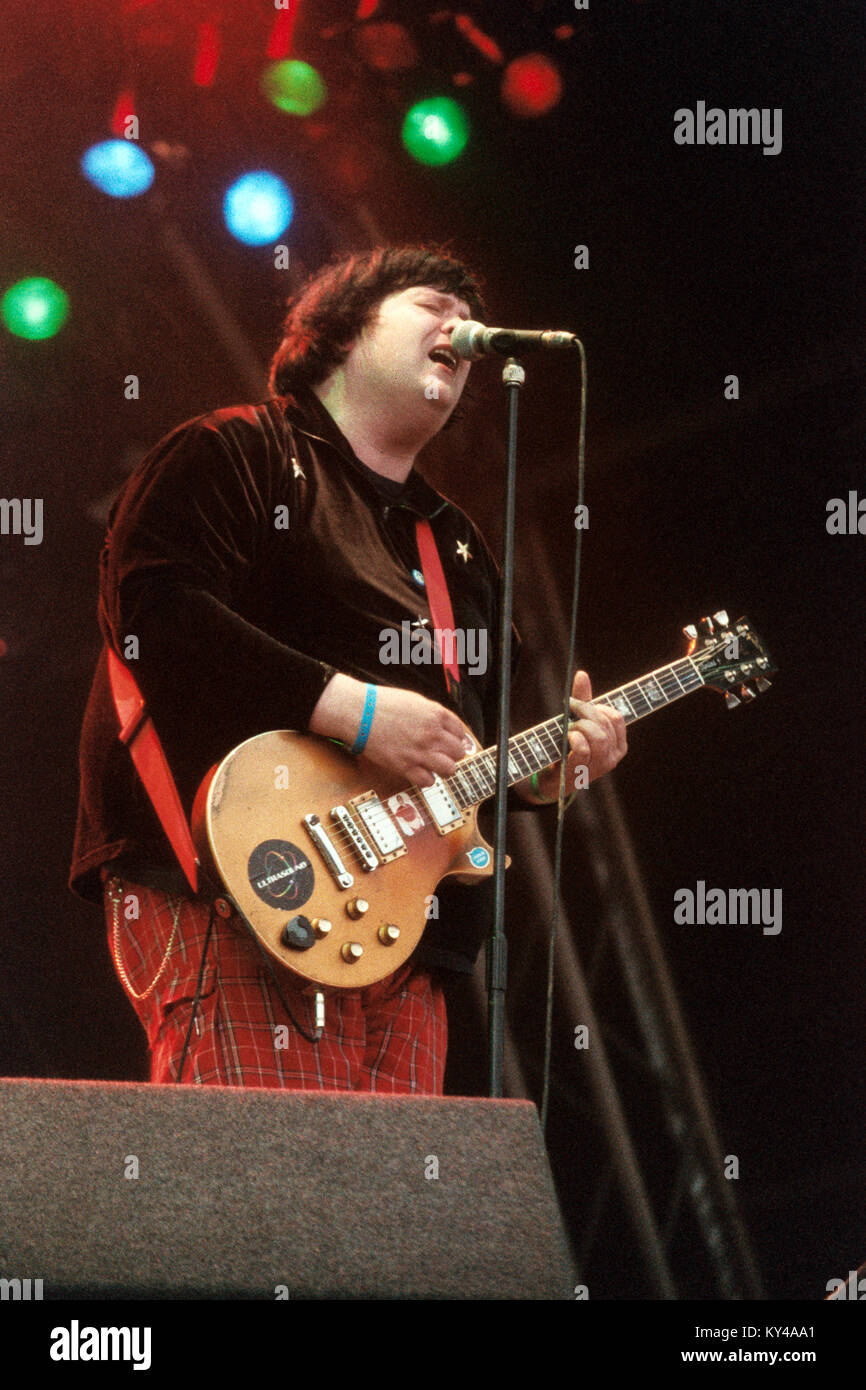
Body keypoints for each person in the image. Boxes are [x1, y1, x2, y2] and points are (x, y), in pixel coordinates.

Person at [69, 244, 627, 1093]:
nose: (459, 327)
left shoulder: (458, 549)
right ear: (342, 329)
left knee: (383, 1217)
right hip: (235, 880)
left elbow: (461, 752)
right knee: (265, 1197)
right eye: (431, 305)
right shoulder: (237, 450)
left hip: (404, 930)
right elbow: (155, 614)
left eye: (464, 315)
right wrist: (354, 710)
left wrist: (541, 780)